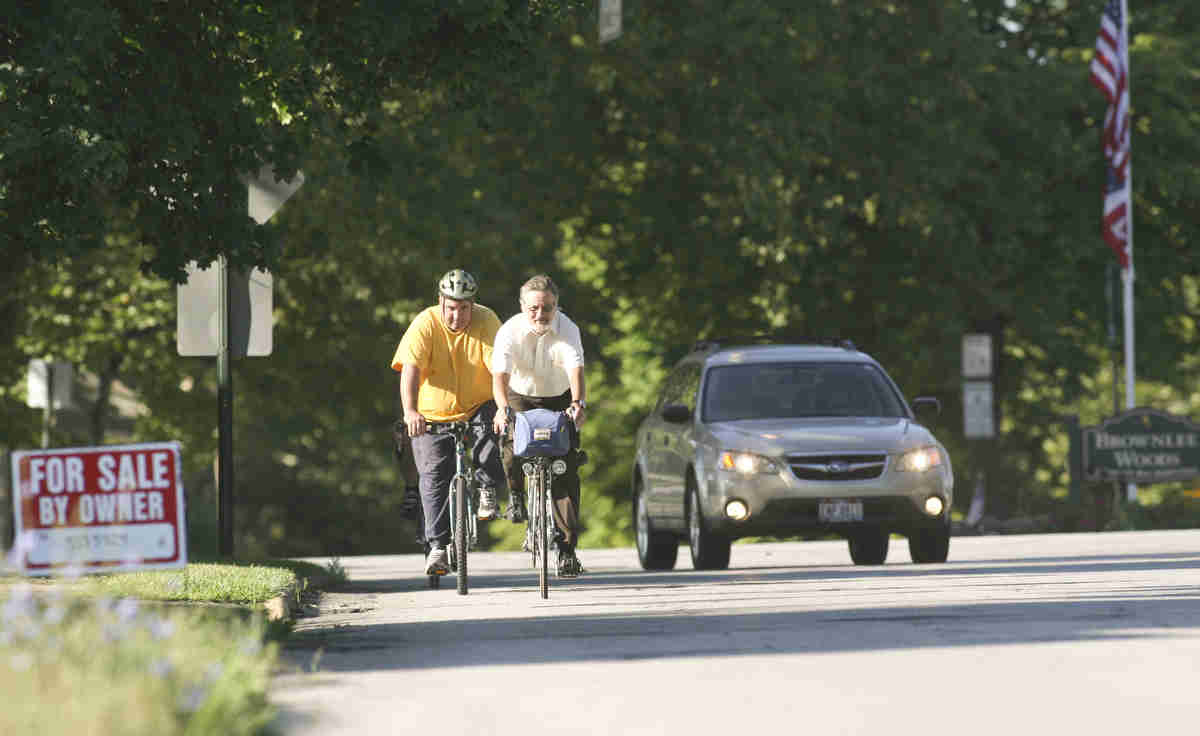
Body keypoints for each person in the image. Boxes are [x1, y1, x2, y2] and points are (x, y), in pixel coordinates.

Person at [391, 268, 508, 575]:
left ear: (473, 304)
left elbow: (499, 370)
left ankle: (486, 488)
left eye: (464, 308)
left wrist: (503, 407)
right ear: (440, 302)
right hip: (433, 412)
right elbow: (410, 373)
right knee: (434, 475)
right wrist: (411, 412)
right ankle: (438, 548)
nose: (457, 315)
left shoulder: (487, 320)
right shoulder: (425, 323)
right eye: (451, 308)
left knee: (493, 430)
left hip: (478, 403)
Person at [491, 274, 588, 578]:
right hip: (520, 396)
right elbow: (499, 378)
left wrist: (578, 404)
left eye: (547, 308)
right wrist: (502, 409)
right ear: (522, 306)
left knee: (565, 467)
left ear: (556, 306)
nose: (540, 314)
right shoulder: (509, 331)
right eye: (533, 308)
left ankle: (567, 550)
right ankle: (517, 495)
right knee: (510, 442)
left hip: (559, 397)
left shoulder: (568, 328)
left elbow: (575, 368)